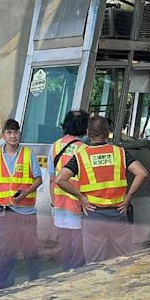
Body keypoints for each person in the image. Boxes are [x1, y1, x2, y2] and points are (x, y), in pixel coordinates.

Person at [55, 115, 148, 264]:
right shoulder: (120, 152)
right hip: (119, 213)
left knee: (95, 263)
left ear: (88, 133)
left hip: (93, 215)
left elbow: (60, 179)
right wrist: (128, 196)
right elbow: (142, 173)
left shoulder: (80, 156)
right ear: (108, 132)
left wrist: (81, 197)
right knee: (124, 261)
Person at [0, 119, 42, 290]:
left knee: (30, 250)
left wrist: (26, 193)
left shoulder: (28, 154)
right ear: (4, 135)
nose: (13, 136)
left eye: (16, 132)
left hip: (26, 212)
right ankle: (4, 288)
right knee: (7, 251)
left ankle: (36, 283)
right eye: (10, 133)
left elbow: (38, 179)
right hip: (5, 212)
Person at [47, 110, 89, 271]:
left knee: (65, 246)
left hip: (59, 204)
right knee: (79, 248)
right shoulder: (84, 149)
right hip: (78, 205)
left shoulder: (55, 146)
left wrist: (53, 204)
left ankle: (65, 276)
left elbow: (52, 178)